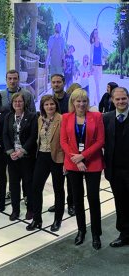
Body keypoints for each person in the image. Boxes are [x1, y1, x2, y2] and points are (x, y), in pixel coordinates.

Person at [60, 88, 104, 250]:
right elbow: (63, 141)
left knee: (93, 199)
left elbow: (100, 141)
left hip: (93, 162)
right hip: (73, 163)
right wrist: (76, 159)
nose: (81, 104)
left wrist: (83, 156)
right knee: (77, 199)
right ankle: (81, 230)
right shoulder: (66, 117)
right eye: (78, 101)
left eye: (84, 101)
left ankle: (96, 233)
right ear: (73, 102)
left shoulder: (97, 116)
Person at [26, 95, 65, 232]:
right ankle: (37, 219)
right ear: (42, 106)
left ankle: (58, 220)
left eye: (52, 104)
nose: (50, 107)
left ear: (56, 105)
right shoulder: (40, 119)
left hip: (57, 157)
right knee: (36, 187)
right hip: (42, 156)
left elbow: (66, 140)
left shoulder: (62, 119)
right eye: (46, 104)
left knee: (58, 189)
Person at [3, 92, 37, 221]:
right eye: (15, 101)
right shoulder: (8, 117)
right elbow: (5, 135)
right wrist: (10, 151)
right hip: (12, 158)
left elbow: (33, 136)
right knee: (14, 185)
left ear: (24, 103)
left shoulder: (32, 116)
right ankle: (15, 210)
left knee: (28, 184)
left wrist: (22, 151)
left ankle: (30, 209)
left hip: (26, 157)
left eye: (20, 101)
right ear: (12, 104)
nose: (18, 104)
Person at [103, 87, 129, 247]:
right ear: (112, 100)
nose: (121, 101)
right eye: (117, 99)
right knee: (120, 202)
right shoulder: (106, 118)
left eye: (124, 98)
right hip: (114, 170)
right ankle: (124, 233)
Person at [48, 74, 75, 217]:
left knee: (70, 179)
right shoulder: (49, 100)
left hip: (69, 144)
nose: (56, 84)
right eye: (54, 82)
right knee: (57, 179)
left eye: (59, 82)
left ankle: (72, 204)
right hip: (55, 145)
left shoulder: (70, 99)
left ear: (63, 83)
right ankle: (59, 203)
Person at [90, 28, 104, 106]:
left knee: (98, 84)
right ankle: (99, 103)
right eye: (95, 33)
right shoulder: (92, 45)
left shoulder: (101, 44)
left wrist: (104, 59)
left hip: (100, 66)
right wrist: (91, 67)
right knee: (97, 85)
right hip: (94, 67)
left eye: (97, 33)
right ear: (94, 35)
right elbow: (90, 57)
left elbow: (102, 54)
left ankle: (95, 100)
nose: (96, 34)